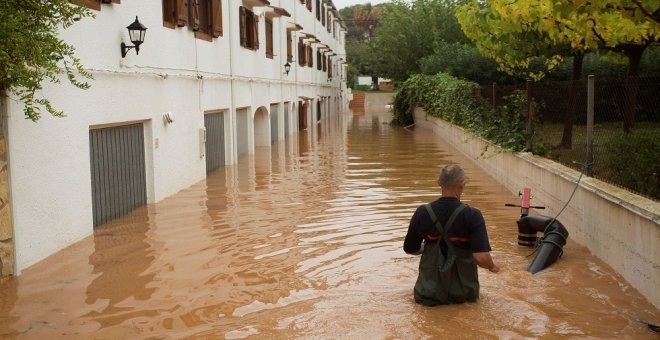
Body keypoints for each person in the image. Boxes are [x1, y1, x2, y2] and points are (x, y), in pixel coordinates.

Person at [404, 164, 499, 305]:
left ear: (438, 182)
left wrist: (427, 246)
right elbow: (481, 257)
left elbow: (410, 248)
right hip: (463, 297)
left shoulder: (422, 212)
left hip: (428, 295)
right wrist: (492, 267)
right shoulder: (472, 215)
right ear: (463, 184)